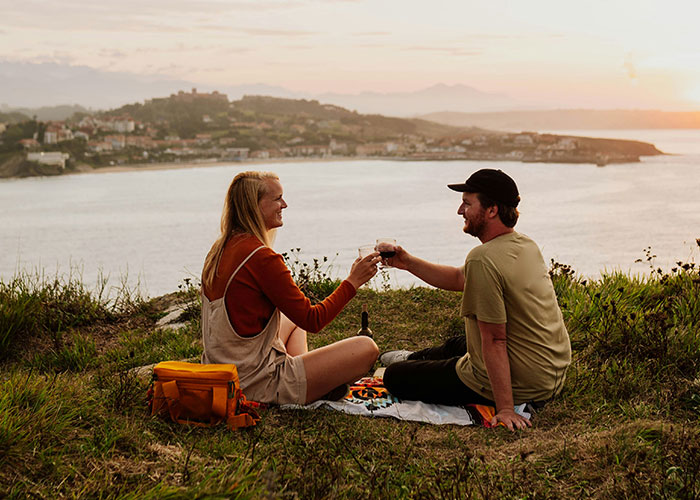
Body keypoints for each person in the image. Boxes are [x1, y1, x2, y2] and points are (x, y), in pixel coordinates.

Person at [381, 168, 571, 430]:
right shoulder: (525, 245)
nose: (460, 211)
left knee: (394, 378)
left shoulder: (483, 258)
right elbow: (461, 278)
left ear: (491, 210)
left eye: (467, 204)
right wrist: (407, 262)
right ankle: (414, 358)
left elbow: (495, 339)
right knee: (458, 344)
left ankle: (408, 365)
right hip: (549, 373)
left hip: (523, 382)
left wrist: (505, 408)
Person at [201, 171, 380, 405]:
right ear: (254, 207)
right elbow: (313, 320)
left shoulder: (220, 249)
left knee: (291, 319)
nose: (284, 204)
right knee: (366, 348)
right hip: (254, 385)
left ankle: (310, 384)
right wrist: (353, 282)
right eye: (277, 198)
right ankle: (303, 389)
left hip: (222, 374)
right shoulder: (261, 258)